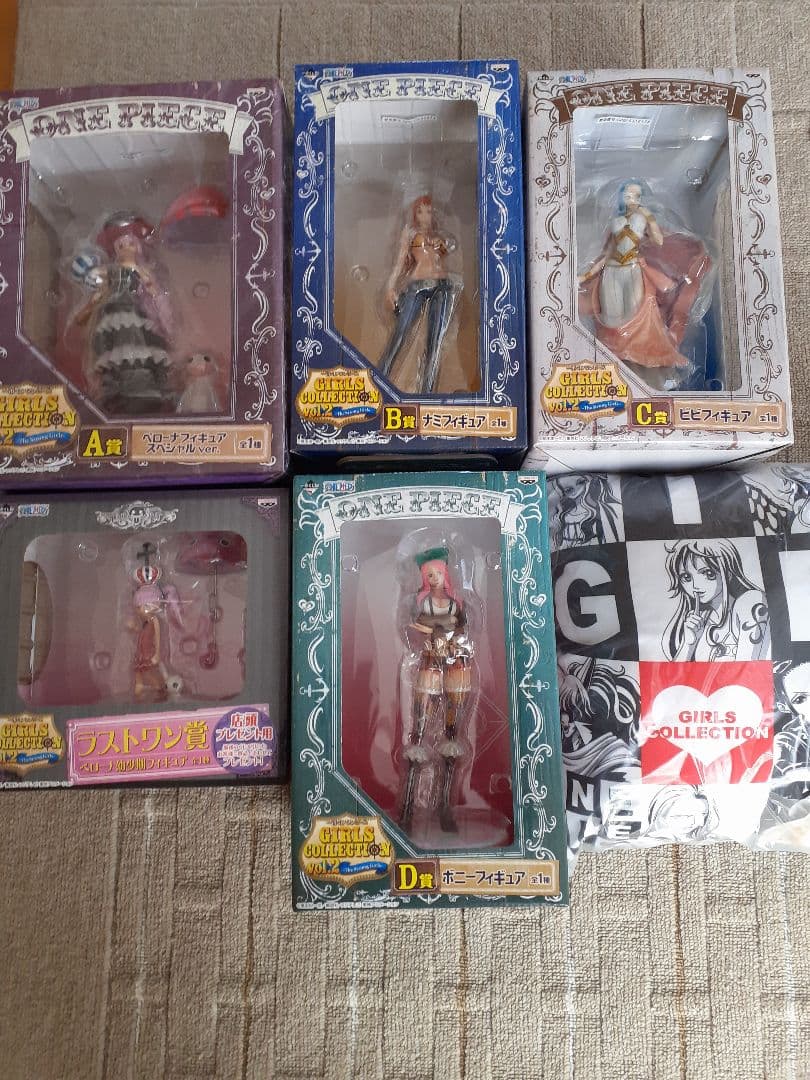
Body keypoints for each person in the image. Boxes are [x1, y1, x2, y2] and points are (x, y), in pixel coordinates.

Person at [579, 180, 711, 370]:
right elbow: (607, 254)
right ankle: (614, 356)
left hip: (633, 267)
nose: (631, 199)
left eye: (636, 195)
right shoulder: (615, 222)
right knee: (611, 317)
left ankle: (636, 355)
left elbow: (658, 240)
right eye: (628, 195)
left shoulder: (642, 217)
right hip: (611, 270)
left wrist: (650, 220)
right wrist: (586, 275)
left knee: (635, 314)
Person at [399, 547, 473, 833]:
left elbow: (460, 628)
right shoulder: (425, 604)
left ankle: (444, 809)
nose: (433, 578)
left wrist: (444, 634)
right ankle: (407, 809)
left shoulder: (455, 605)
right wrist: (435, 631)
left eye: (437, 573)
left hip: (455, 665)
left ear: (445, 575)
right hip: (430, 664)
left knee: (452, 733)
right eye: (428, 574)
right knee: (419, 731)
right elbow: (419, 626)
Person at [74, 213, 174, 415]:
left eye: (130, 244)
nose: (125, 248)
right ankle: (116, 389)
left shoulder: (142, 271)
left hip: (135, 314)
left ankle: (142, 386)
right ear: (114, 250)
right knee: (114, 353)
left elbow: (154, 292)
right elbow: (98, 290)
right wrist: (91, 299)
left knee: (138, 350)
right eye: (120, 245)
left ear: (138, 247)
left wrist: (155, 296)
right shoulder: (110, 272)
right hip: (113, 315)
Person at [378, 195, 460, 394]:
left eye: (429, 211)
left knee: (435, 344)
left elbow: (445, 253)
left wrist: (443, 243)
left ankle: (428, 393)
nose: (425, 216)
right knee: (400, 335)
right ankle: (378, 383)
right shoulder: (410, 233)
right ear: (415, 214)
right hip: (417, 285)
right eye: (420, 211)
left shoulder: (439, 236)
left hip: (443, 286)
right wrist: (390, 287)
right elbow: (400, 262)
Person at [663, 539, 769, 661]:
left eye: (708, 573)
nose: (695, 585)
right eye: (686, 577)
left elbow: (750, 666)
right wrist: (688, 644)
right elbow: (676, 673)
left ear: (728, 573)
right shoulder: (699, 620)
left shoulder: (751, 601)